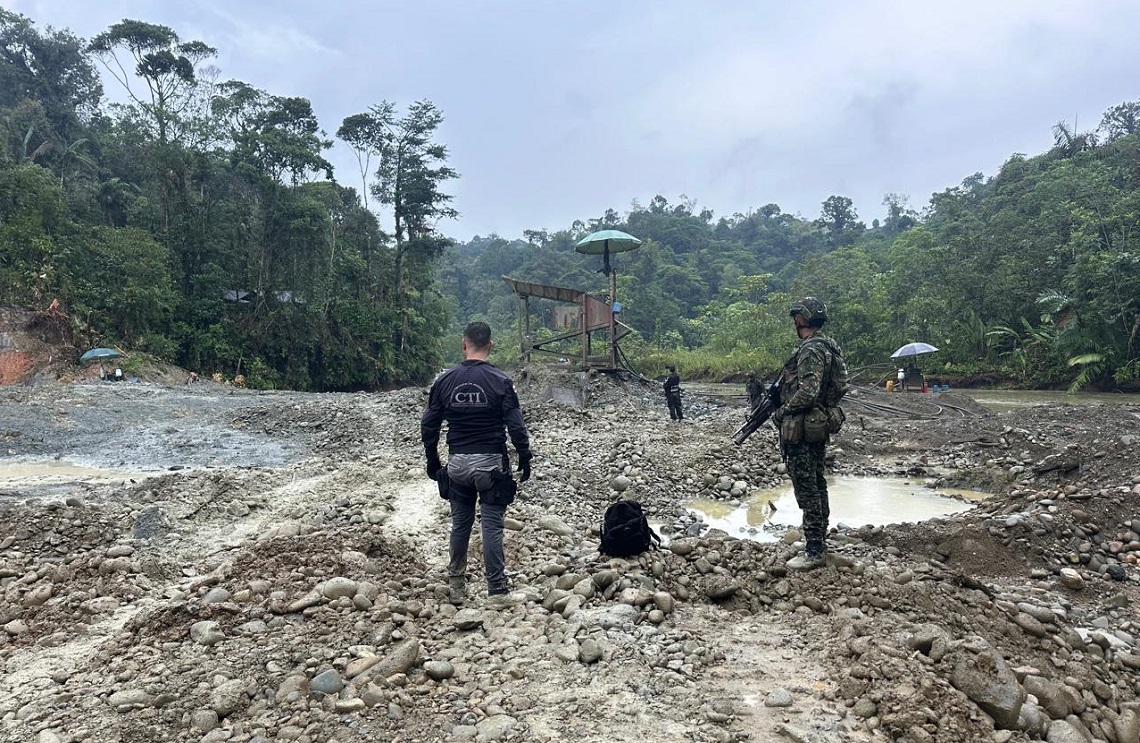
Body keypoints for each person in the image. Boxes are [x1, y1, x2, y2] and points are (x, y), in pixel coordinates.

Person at [421, 322, 533, 607]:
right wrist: (525, 456)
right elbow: (516, 426)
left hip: (457, 463)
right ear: (491, 345)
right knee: (492, 524)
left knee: (461, 523)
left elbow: (429, 424)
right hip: (491, 464)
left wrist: (433, 461)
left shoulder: (445, 381)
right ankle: (496, 589)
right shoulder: (500, 381)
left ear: (463, 344)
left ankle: (457, 585)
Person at [771, 297, 848, 571]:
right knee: (817, 481)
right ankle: (819, 540)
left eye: (796, 318)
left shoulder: (811, 350)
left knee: (808, 487)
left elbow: (809, 391)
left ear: (801, 320)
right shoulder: (828, 347)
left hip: (803, 429)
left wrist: (782, 412)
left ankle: (815, 549)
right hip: (816, 425)